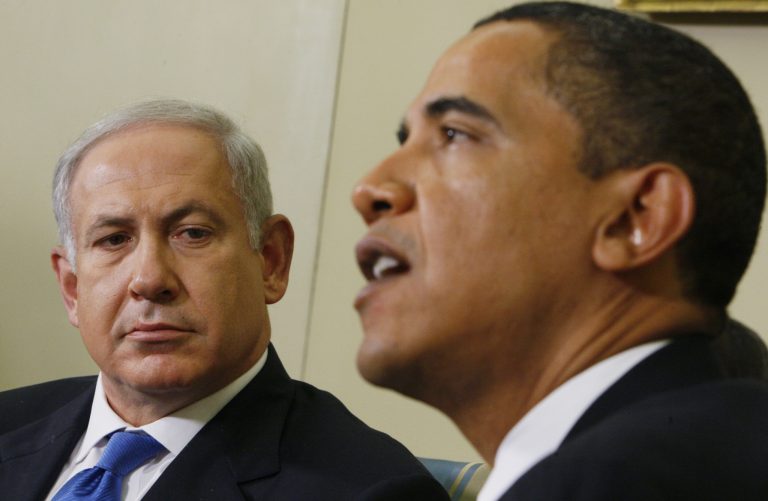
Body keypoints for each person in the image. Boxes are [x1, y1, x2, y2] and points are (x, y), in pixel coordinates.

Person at [351, 2, 768, 499]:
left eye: (455, 134)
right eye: (405, 138)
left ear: (634, 219)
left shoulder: (626, 482)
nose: (370, 188)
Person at [0, 99, 448, 501]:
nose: (150, 279)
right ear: (72, 288)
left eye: (192, 233)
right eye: (114, 239)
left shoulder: (370, 491)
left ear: (271, 261)